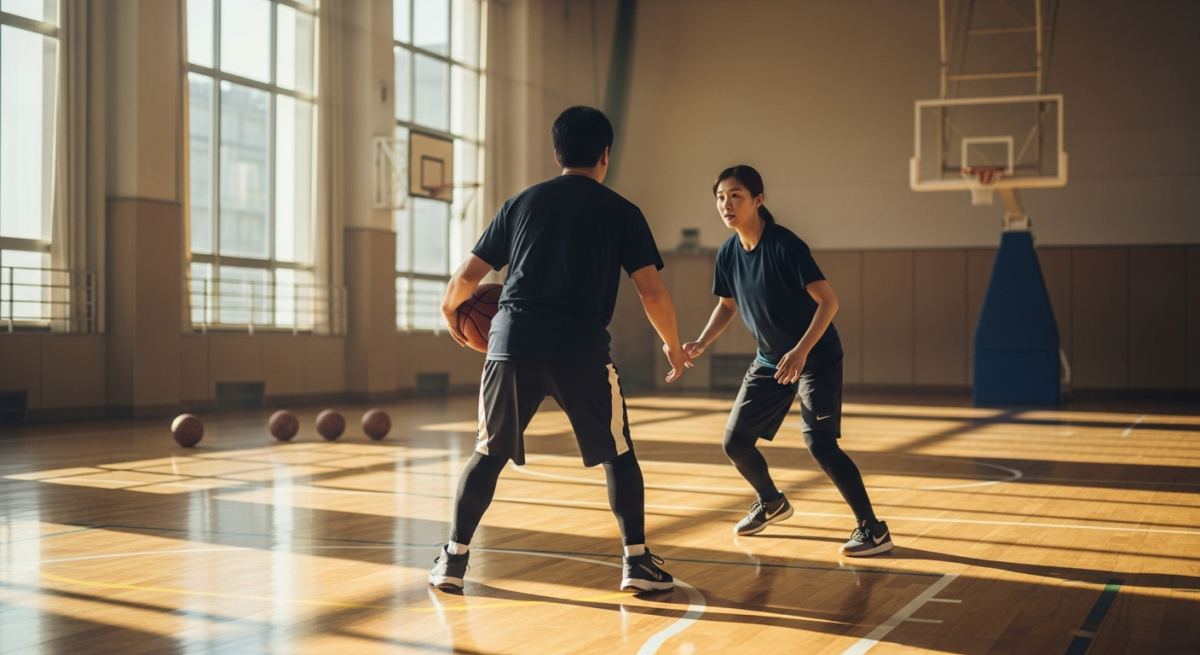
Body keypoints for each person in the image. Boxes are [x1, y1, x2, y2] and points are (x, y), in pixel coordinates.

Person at [429, 106, 692, 592]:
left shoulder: (521, 204)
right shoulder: (623, 212)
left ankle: (453, 560)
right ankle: (636, 563)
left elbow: (468, 278)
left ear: (557, 153)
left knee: (487, 454)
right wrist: (673, 347)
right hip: (580, 346)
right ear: (605, 155)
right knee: (618, 454)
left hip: (513, 340)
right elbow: (652, 291)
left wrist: (454, 318)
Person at [682, 165, 893, 557]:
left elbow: (829, 302)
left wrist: (801, 351)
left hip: (816, 356)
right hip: (770, 360)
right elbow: (727, 305)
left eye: (735, 196)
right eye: (720, 197)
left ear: (758, 200)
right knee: (736, 442)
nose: (726, 204)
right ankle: (772, 502)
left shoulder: (785, 245)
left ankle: (872, 528)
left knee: (820, 444)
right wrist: (702, 341)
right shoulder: (728, 253)